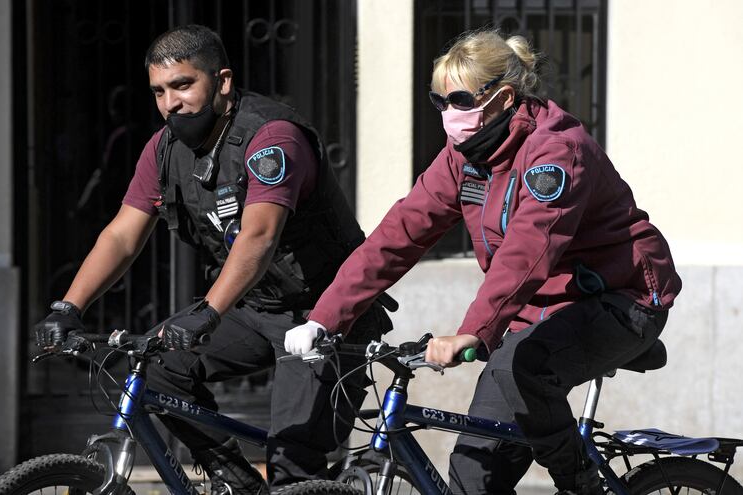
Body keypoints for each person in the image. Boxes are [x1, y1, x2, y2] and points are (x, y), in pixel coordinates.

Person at [285, 29, 681, 495]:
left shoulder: (556, 152)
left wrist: (473, 330)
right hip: (537, 310)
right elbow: (399, 235)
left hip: (622, 298)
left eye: (460, 100)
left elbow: (529, 250)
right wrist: (325, 318)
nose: (448, 114)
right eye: (439, 101)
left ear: (503, 97)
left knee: (520, 368)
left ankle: (581, 483)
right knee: (474, 472)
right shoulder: (466, 156)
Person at [34, 24, 391, 494]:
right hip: (254, 306)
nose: (170, 103)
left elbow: (259, 236)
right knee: (153, 367)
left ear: (222, 81)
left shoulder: (272, 138)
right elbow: (122, 234)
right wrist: (69, 307)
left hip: (324, 314)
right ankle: (238, 483)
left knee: (293, 465)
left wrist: (209, 311)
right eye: (159, 91)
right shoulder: (165, 150)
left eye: (183, 85)